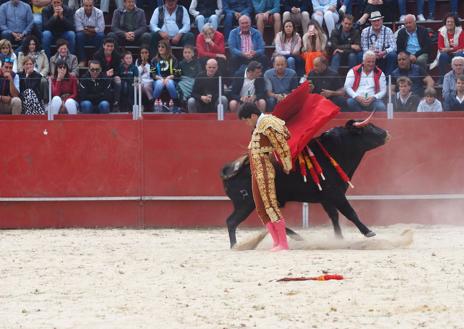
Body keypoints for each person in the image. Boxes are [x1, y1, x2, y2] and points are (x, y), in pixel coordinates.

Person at [238, 102, 292, 251]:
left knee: (270, 204)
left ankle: (283, 243)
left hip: (264, 169)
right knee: (261, 207)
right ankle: (276, 242)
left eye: (247, 120)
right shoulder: (259, 126)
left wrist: (287, 165)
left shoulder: (267, 123)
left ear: (253, 116)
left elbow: (282, 144)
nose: (247, 124)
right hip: (256, 170)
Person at [360, 11, 397, 76]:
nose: (376, 23)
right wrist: (371, 54)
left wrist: (384, 52)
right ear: (371, 22)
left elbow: (394, 47)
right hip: (370, 55)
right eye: (374, 21)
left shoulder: (388, 30)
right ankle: (362, 77)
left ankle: (388, 79)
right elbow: (364, 47)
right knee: (359, 55)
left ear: (382, 20)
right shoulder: (365, 31)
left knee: (392, 55)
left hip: (384, 56)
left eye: (378, 20)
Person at [93, 38, 122, 111]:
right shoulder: (97, 55)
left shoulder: (117, 56)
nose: (109, 48)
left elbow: (118, 70)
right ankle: (105, 103)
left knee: (118, 80)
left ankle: (116, 103)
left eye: (111, 46)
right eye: (108, 46)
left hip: (113, 76)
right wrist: (105, 73)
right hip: (100, 76)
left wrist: (114, 73)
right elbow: (95, 70)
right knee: (106, 79)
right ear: (103, 46)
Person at [74, 0, 105, 66]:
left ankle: (96, 60)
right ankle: (82, 60)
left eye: (90, 6)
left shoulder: (99, 12)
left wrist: (87, 28)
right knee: (79, 35)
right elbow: (79, 28)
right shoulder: (78, 12)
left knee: (101, 35)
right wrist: (93, 30)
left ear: (93, 5)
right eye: (86, 6)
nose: (88, 8)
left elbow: (101, 28)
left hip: (95, 36)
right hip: (84, 36)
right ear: (83, 5)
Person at [434, 14, 464, 79]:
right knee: (443, 56)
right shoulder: (441, 31)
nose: (449, 23)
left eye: (452, 22)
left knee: (459, 55)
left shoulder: (460, 31)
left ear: (455, 23)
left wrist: (449, 49)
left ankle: (460, 78)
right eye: (448, 22)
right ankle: (442, 79)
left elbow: (461, 46)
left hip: (457, 53)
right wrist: (453, 49)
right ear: (445, 23)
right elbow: (440, 47)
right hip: (447, 54)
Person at [151, 39, 179, 105]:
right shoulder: (154, 60)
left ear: (167, 48)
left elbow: (177, 73)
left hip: (170, 79)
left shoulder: (174, 59)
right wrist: (161, 79)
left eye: (162, 47)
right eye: (159, 46)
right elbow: (152, 74)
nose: (160, 48)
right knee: (159, 84)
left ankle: (175, 101)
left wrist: (168, 78)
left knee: (169, 84)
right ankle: (155, 100)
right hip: (158, 79)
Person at [136, 46, 154, 111]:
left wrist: (146, 67)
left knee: (146, 86)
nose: (144, 54)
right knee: (139, 86)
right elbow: (136, 75)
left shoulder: (152, 63)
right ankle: (140, 105)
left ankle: (151, 102)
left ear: (148, 54)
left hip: (149, 81)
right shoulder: (137, 64)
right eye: (142, 53)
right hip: (140, 82)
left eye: (146, 52)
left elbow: (152, 76)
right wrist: (142, 66)